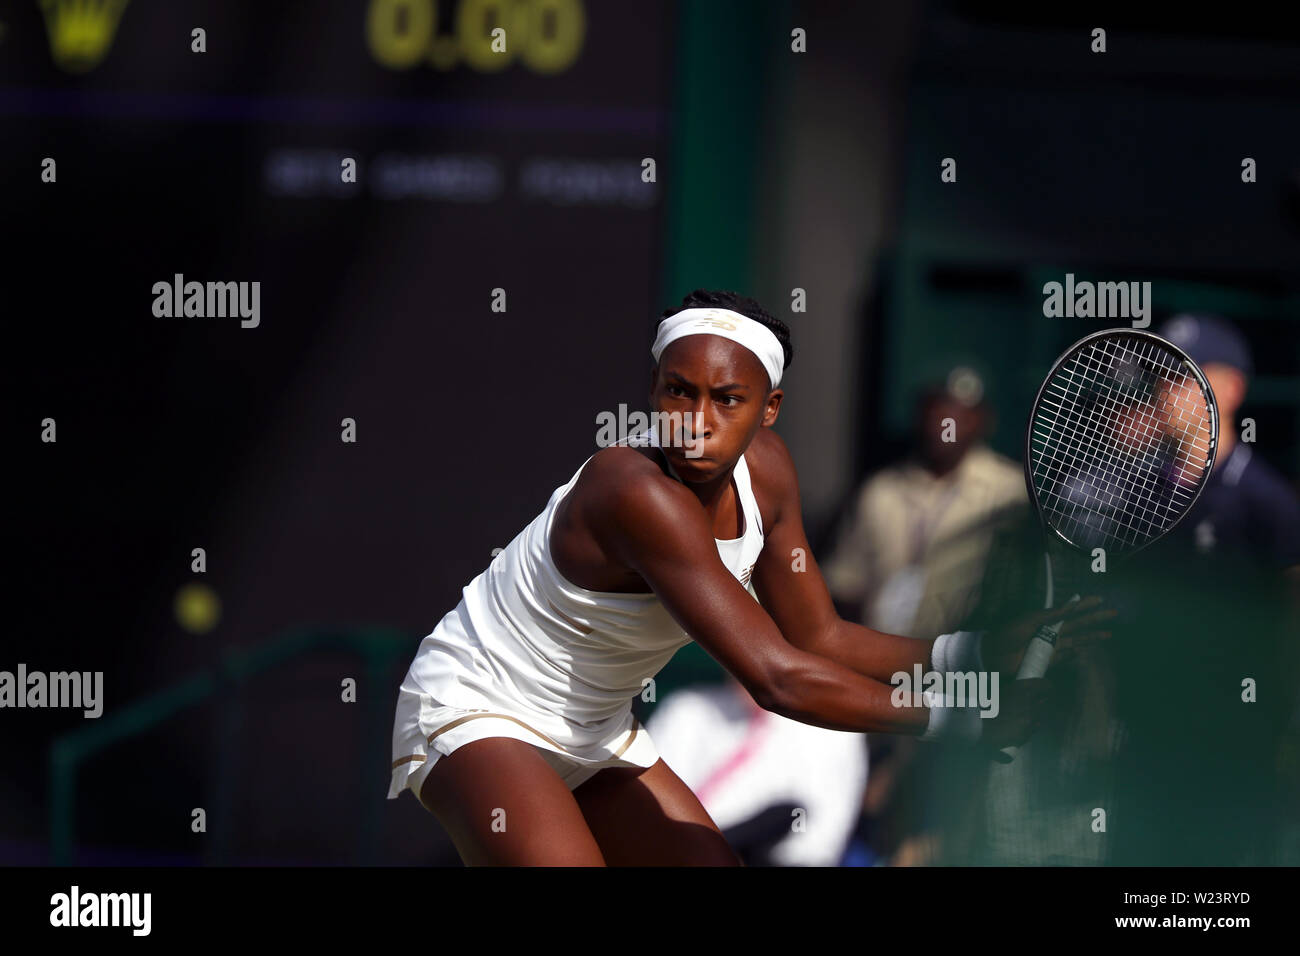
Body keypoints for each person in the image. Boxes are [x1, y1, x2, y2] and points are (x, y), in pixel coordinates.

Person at [387, 289, 1109, 866]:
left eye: (727, 400)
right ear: (653, 391)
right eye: (677, 392)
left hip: (594, 729)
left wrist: (977, 654)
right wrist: (962, 718)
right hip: (475, 710)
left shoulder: (769, 475)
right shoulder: (633, 491)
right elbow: (779, 678)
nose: (695, 421)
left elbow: (819, 635)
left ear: (769, 410)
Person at [822, 368, 1027, 641]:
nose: (945, 425)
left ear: (982, 421)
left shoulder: (1009, 491)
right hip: (882, 656)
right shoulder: (881, 490)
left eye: (960, 416)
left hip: (965, 658)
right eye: (937, 412)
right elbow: (847, 582)